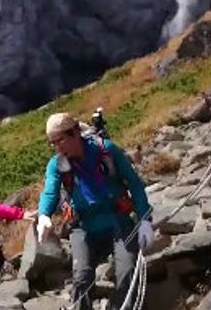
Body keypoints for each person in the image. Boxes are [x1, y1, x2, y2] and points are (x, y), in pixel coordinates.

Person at [36, 112, 154, 310]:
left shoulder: (105, 150)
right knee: (81, 277)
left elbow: (134, 183)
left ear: (74, 133)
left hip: (117, 220)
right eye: (52, 143)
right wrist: (43, 215)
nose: (57, 147)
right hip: (82, 226)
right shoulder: (57, 165)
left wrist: (144, 220)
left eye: (61, 140)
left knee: (126, 271)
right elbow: (50, 192)